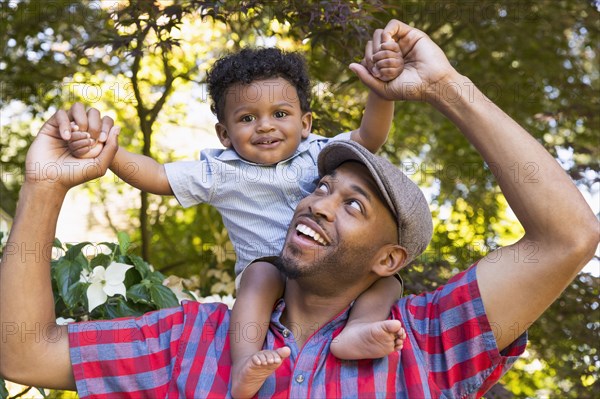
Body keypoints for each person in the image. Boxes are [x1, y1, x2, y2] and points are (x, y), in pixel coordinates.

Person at [1, 19, 598, 399]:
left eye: (353, 204)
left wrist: (446, 88)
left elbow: (566, 237)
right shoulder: (189, 340)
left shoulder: (424, 342)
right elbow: (22, 352)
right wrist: (45, 189)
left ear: (390, 257)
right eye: (321, 188)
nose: (316, 201)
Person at [65, 44, 406, 397]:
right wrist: (108, 149)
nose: (264, 126)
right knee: (261, 275)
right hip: (270, 272)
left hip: (327, 269)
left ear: (305, 123)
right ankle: (245, 363)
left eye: (280, 114)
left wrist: (381, 90)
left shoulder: (319, 152)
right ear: (225, 135)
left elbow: (370, 137)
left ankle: (359, 328)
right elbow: (158, 176)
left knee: (386, 280)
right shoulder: (222, 172)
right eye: (247, 118)